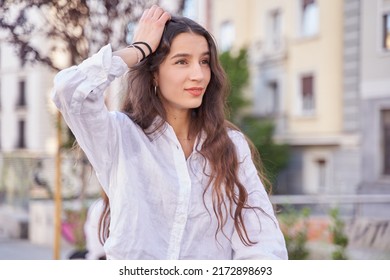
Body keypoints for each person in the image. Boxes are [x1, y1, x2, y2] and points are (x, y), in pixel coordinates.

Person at [52, 5, 288, 260]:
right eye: (182, 61)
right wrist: (139, 49)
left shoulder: (231, 145)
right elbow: (69, 90)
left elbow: (263, 244)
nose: (198, 74)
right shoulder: (120, 136)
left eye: (204, 61)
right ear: (154, 74)